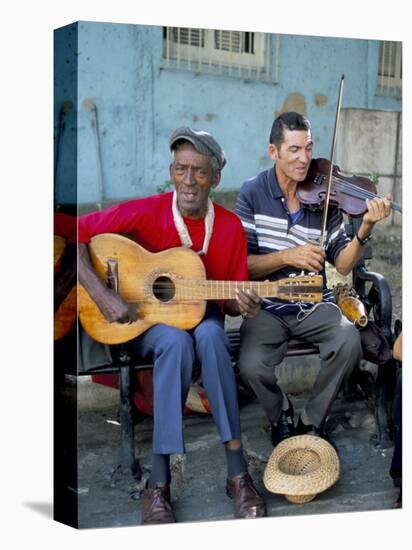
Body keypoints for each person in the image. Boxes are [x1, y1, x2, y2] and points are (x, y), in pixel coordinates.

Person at [78, 127, 266, 524]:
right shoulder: (148, 211)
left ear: (215, 178)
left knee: (213, 335)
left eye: (199, 171)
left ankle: (237, 473)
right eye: (181, 169)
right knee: (175, 343)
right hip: (145, 323)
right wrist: (102, 294)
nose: (189, 181)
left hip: (204, 316)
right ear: (172, 171)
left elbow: (229, 303)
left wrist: (244, 303)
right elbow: (76, 232)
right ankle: (159, 483)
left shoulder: (229, 227)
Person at [235, 112, 392, 447]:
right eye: (293, 150)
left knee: (348, 340)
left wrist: (364, 228)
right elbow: (242, 265)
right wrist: (286, 257)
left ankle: (311, 420)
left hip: (312, 305)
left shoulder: (326, 199)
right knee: (249, 366)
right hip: (267, 306)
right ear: (273, 151)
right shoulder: (251, 193)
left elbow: (345, 264)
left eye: (308, 148)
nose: (304, 158)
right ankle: (281, 414)